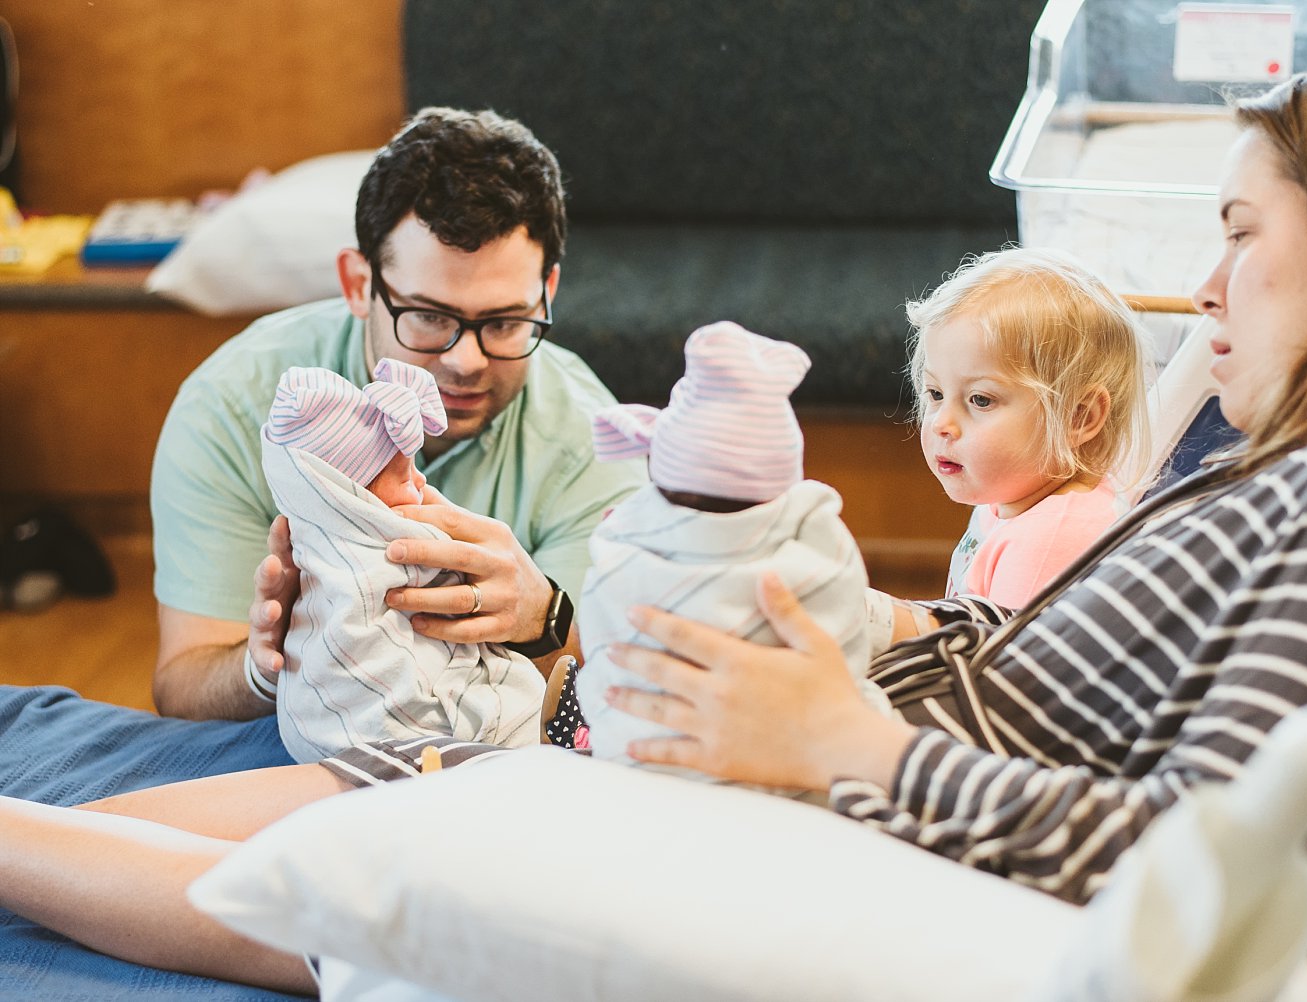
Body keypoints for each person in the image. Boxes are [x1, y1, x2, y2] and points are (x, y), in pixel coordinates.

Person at [1, 54, 1307, 992]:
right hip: (814, 738)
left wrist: (844, 739)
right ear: (356, 288)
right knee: (359, 791)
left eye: (1240, 233)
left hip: (835, 787)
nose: (1209, 286)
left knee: (363, 829)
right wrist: (875, 627)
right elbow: (1070, 685)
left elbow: (1213, 859)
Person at [150, 106, 646, 722]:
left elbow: (623, 698)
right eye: (430, 317)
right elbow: (180, 688)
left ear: (548, 292)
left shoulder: (592, 437)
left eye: (504, 322)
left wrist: (542, 617)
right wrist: (264, 665)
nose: (466, 361)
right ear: (358, 284)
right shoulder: (229, 408)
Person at [574, 321, 887, 773]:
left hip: (640, 760)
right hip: (797, 765)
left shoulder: (621, 541)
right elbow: (848, 644)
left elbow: (601, 636)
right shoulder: (817, 539)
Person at [260, 359, 545, 762]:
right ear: (352, 502)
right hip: (389, 731)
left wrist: (545, 612)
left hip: (310, 733)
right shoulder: (380, 547)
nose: (421, 483)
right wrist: (260, 671)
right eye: (403, 475)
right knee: (517, 701)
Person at [908, 247, 1150, 607]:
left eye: (980, 400)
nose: (942, 423)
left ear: (1079, 418)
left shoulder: (1052, 537)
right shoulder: (1014, 500)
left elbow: (1005, 661)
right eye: (936, 393)